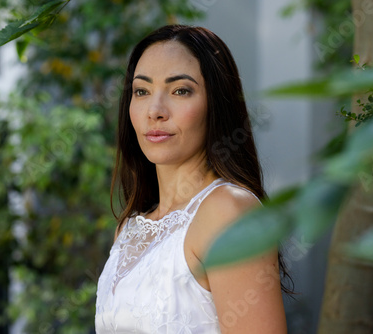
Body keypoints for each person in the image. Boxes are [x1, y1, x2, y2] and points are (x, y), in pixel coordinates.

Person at [95, 24, 290, 333]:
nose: (155, 111)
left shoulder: (229, 212)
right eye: (142, 91)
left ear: (216, 103)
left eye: (180, 90)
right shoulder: (129, 229)